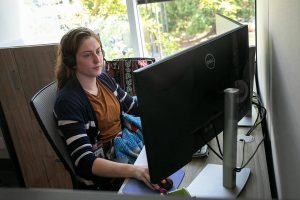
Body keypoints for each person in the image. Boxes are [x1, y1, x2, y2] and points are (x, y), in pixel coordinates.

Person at [53, 27, 158, 191]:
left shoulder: (102, 78)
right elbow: (85, 161)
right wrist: (135, 171)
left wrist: (166, 98)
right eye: (87, 55)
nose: (97, 60)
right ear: (71, 61)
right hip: (108, 173)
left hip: (126, 147)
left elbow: (132, 106)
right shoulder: (68, 102)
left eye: (98, 51)